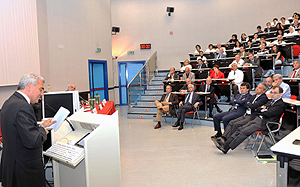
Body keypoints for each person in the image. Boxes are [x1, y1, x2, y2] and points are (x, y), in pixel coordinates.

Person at [0, 73, 56, 187]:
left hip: (12, 166)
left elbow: (21, 132)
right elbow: (33, 140)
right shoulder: (24, 107)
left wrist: (42, 126)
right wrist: (43, 132)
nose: (41, 94)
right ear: (29, 86)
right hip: (24, 171)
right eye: (40, 89)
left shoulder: (9, 102)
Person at [214, 86, 285, 154]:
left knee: (244, 131)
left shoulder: (280, 104)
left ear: (281, 94)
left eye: (275, 93)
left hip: (265, 123)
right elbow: (259, 109)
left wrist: (263, 110)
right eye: (272, 92)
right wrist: (263, 109)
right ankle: (225, 144)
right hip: (258, 119)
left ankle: (226, 147)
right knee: (239, 128)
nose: (272, 94)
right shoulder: (271, 101)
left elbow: (268, 113)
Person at [211, 83, 269, 148]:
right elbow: (244, 105)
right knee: (231, 122)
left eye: (260, 88)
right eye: (257, 86)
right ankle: (223, 138)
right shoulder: (254, 96)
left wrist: (248, 104)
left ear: (264, 91)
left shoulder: (263, 98)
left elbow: (252, 106)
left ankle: (225, 141)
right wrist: (247, 104)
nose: (257, 88)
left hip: (252, 117)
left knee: (235, 124)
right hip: (246, 114)